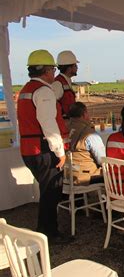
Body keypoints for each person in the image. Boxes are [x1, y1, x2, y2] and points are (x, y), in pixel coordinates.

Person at [17, 49, 70, 243]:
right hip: (42, 149)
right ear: (47, 70)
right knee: (51, 192)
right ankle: (49, 233)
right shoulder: (44, 91)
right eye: (52, 69)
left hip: (28, 149)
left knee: (46, 190)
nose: (54, 73)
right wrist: (60, 151)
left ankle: (45, 230)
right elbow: (48, 124)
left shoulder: (25, 90)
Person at [67, 102, 105, 185]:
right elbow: (102, 160)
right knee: (115, 173)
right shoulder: (89, 133)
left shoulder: (65, 129)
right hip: (86, 176)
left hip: (67, 175)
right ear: (84, 114)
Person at [52, 50, 79, 118]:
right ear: (69, 68)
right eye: (75, 65)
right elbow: (51, 105)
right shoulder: (57, 84)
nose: (77, 68)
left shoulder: (66, 81)